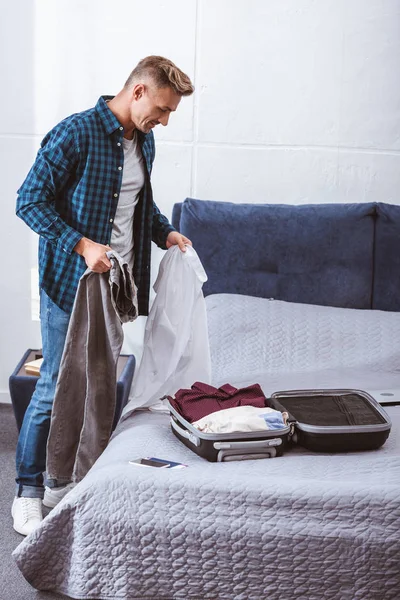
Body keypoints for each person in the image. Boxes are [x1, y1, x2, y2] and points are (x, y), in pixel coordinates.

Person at [12, 55, 194, 536]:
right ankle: (27, 491)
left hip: (115, 286)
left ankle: (66, 480)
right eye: (161, 108)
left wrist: (166, 234)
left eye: (171, 112)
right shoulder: (75, 133)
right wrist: (81, 243)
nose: (165, 120)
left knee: (96, 388)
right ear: (137, 91)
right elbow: (28, 201)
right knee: (55, 384)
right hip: (69, 283)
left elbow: (139, 204)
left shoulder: (144, 142)